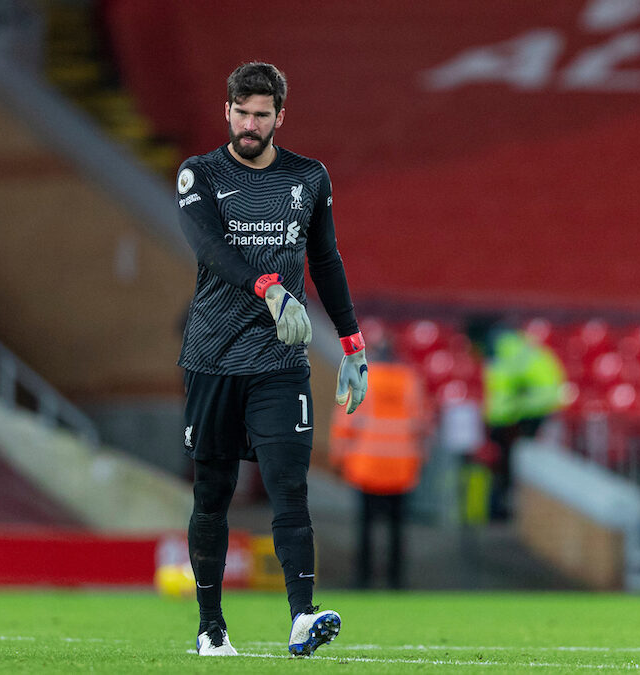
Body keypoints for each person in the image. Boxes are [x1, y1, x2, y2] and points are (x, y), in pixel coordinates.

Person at [176, 62, 368, 657]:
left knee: (290, 486)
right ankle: (211, 629)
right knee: (213, 492)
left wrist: (353, 344)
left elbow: (327, 262)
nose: (250, 123)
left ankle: (302, 619)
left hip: (281, 362)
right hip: (213, 357)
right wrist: (269, 287)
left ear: (280, 117)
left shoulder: (309, 178)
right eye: (241, 112)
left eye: (262, 114)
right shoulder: (199, 174)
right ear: (226, 111)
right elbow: (211, 249)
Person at [329, 344, 427, 589]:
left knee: (365, 526)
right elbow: (422, 424)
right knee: (397, 528)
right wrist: (420, 458)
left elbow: (344, 422)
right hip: (401, 466)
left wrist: (338, 458)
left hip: (366, 465)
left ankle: (363, 579)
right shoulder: (410, 381)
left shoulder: (361, 378)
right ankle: (396, 581)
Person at [466, 317, 565, 520]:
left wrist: (493, 422)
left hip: (532, 407)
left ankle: (508, 506)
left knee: (513, 460)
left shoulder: (499, 350)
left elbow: (500, 392)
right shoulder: (515, 343)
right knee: (523, 459)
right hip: (541, 403)